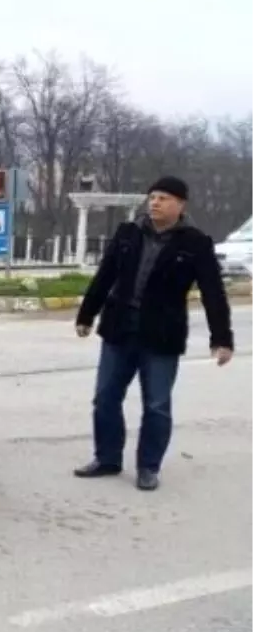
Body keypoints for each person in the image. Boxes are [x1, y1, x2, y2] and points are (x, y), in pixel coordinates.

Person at [72, 176, 233, 491]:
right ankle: (107, 458)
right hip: (119, 329)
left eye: (164, 198)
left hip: (161, 336)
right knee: (105, 398)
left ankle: (148, 467)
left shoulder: (195, 243)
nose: (155, 203)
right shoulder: (128, 234)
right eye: (153, 197)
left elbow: (214, 292)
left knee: (156, 405)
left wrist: (222, 339)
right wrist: (87, 314)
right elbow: (106, 275)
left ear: (180, 205)